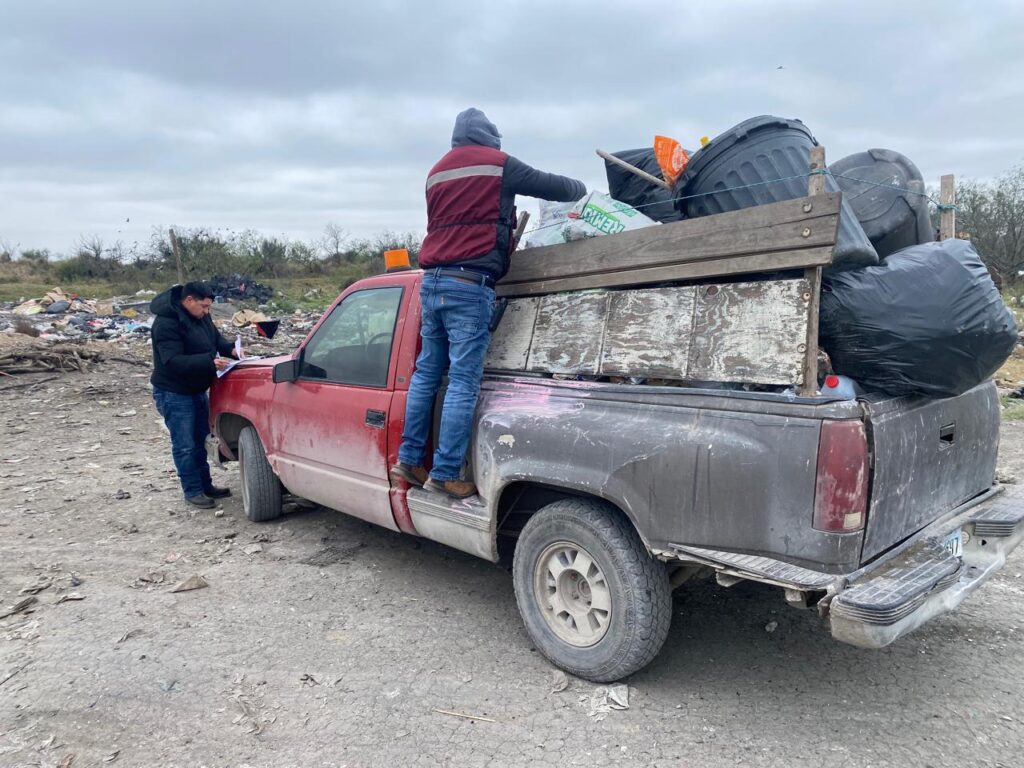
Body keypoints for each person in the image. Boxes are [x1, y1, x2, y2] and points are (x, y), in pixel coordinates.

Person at [391, 108, 586, 499]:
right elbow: (555, 187)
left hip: (432, 282)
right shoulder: (498, 164)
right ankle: (445, 472)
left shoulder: (436, 171)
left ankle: (409, 460)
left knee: (427, 372)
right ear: (489, 137)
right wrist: (581, 187)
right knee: (463, 379)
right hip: (469, 283)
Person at [150, 281, 238, 508]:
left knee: (201, 439)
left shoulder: (201, 316)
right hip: (174, 392)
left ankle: (205, 485)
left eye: (209, 307)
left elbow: (215, 340)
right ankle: (192, 490)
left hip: (198, 388)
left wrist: (232, 350)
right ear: (189, 300)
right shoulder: (166, 323)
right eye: (204, 307)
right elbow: (173, 361)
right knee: (185, 444)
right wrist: (210, 362)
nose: (207, 312)